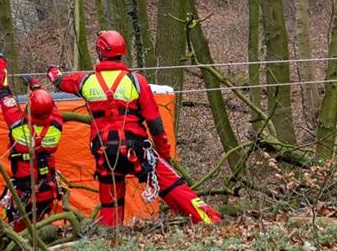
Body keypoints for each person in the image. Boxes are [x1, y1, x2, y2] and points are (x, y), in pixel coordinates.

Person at [47, 30, 221, 227]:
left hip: (104, 153)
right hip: (136, 150)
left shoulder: (86, 81)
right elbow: (155, 122)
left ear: (100, 52)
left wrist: (53, 71)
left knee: (111, 202)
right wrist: (164, 154)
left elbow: (60, 81)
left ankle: (111, 238)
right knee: (173, 185)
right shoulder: (136, 81)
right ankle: (210, 220)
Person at [0, 52, 62, 231]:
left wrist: (0, 63)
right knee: (40, 223)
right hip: (47, 188)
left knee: (19, 228)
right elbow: (51, 105)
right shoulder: (56, 124)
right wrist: (35, 85)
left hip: (24, 191)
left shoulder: (17, 124)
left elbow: (3, 91)